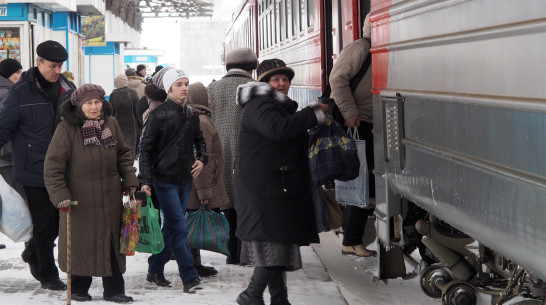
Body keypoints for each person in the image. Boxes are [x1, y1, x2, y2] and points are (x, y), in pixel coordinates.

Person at [234, 59, 328, 305]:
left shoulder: (271, 104)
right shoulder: (261, 104)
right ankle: (251, 295)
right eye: (276, 79)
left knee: (280, 244)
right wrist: (314, 113)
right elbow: (279, 130)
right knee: (275, 244)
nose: (283, 83)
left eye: (285, 79)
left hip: (273, 185)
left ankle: (279, 299)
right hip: (265, 189)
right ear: (265, 82)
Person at [44, 84, 138, 303]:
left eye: (97, 102)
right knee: (82, 244)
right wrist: (60, 195)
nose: (94, 107)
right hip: (79, 200)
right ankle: (78, 288)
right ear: (79, 105)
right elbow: (53, 167)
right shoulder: (67, 128)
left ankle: (114, 290)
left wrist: (130, 179)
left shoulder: (111, 123)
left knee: (112, 243)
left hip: (110, 197)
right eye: (89, 103)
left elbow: (123, 154)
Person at [0, 40, 76, 290]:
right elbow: (5, 127)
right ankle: (48, 275)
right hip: (33, 169)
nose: (57, 71)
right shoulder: (20, 91)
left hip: (63, 170)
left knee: (57, 224)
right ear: (39, 63)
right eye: (52, 66)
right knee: (45, 225)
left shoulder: (68, 88)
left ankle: (33, 252)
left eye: (60, 66)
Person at [139, 68, 207, 293]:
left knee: (170, 228)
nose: (185, 87)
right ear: (168, 88)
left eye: (186, 83)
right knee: (178, 227)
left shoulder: (191, 114)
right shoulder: (157, 115)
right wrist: (146, 181)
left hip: (185, 180)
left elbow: (200, 141)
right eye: (179, 84)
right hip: (164, 181)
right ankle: (189, 277)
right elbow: (146, 150)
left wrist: (202, 159)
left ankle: (155, 268)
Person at [329, 14, 377, 258]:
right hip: (357, 125)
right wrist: (350, 113)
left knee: (365, 183)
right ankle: (351, 240)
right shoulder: (361, 47)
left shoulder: (379, 50)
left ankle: (353, 237)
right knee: (361, 183)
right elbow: (337, 80)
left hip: (369, 125)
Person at [207, 48, 258, 265]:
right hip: (246, 154)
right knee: (245, 205)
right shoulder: (255, 89)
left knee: (227, 205)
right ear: (253, 66)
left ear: (227, 65)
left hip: (219, 155)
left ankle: (231, 251)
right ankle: (242, 251)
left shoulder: (213, 87)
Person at [186, 82, 229, 277]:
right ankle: (191, 266)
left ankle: (194, 264)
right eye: (207, 96)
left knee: (192, 225)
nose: (210, 99)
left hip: (197, 184)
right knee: (193, 225)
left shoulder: (198, 118)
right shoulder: (201, 121)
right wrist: (204, 192)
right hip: (199, 185)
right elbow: (202, 160)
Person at [0, 58, 24, 250]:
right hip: (6, 155)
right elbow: (7, 125)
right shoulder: (7, 93)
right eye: (16, 73)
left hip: (5, 154)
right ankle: (27, 235)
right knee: (16, 198)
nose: (19, 76)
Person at [109, 74, 140, 159]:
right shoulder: (133, 92)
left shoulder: (113, 94)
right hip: (132, 124)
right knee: (131, 146)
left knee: (119, 145)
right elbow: (137, 109)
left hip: (117, 123)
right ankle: (130, 165)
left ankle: (122, 165)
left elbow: (111, 111)